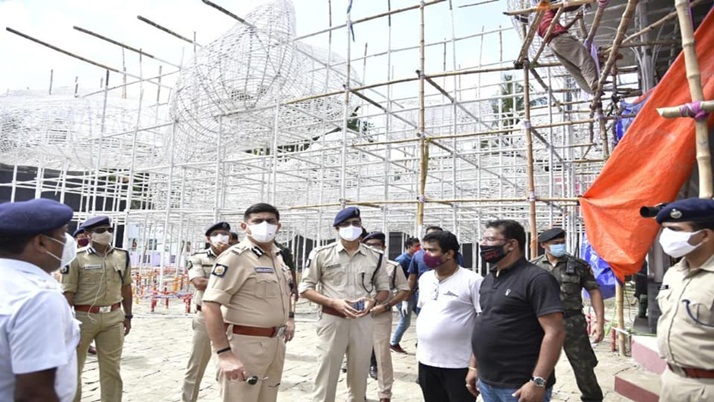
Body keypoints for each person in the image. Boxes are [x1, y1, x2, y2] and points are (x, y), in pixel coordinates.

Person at [202, 203, 295, 402]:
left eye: (270, 221)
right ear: (245, 226)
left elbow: (286, 294)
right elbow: (210, 305)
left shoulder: (278, 258)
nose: (265, 225)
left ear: (279, 226)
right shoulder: (235, 257)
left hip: (275, 344)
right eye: (258, 221)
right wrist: (224, 354)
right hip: (245, 345)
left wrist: (289, 318)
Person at [299, 207, 390, 402]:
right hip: (332, 319)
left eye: (356, 223)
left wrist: (373, 300)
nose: (351, 227)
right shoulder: (321, 254)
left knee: (360, 373)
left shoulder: (376, 256)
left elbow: (384, 289)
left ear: (362, 226)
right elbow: (305, 288)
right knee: (326, 373)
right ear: (336, 228)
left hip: (362, 321)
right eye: (346, 224)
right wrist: (332, 302)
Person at [468, 220, 564, 402]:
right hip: (488, 381)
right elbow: (485, 321)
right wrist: (474, 366)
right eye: (483, 239)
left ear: (511, 244)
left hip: (519, 384)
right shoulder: (489, 279)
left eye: (489, 239)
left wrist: (537, 381)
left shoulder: (537, 279)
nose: (483, 244)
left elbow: (555, 332)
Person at [0, 198, 80, 402]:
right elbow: (34, 394)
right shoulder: (38, 298)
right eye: (63, 234)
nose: (66, 241)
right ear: (42, 242)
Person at [60, 215, 133, 402]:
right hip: (84, 318)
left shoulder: (122, 255)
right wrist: (67, 323)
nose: (106, 234)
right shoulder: (76, 258)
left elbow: (126, 286)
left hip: (113, 317)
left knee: (112, 370)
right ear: (88, 234)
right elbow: (68, 292)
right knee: (74, 369)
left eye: (109, 230)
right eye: (100, 231)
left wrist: (128, 315)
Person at [531, 227, 605, 402]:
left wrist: (599, 323)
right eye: (555, 243)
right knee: (541, 366)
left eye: (562, 242)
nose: (560, 246)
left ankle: (592, 398)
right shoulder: (533, 267)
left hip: (572, 323)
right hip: (542, 324)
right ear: (544, 245)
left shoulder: (578, 265)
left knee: (583, 367)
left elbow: (594, 291)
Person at [652, 198, 714, 400]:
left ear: (704, 235)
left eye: (675, 230)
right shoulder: (675, 273)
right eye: (664, 229)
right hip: (672, 380)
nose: (666, 236)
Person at [415, 231, 482, 402]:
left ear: (449, 253)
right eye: (425, 250)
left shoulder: (472, 281)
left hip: (458, 364)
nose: (426, 255)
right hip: (426, 361)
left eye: (432, 250)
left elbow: (483, 323)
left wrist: (475, 366)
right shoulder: (425, 278)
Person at [181, 221, 231, 402]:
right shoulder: (198, 257)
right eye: (216, 234)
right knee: (196, 365)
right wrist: (232, 283)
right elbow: (198, 283)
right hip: (205, 316)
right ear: (208, 238)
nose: (221, 237)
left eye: (224, 233)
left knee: (229, 364)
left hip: (231, 315)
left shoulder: (238, 256)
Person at [363, 231, 411, 402]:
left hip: (380, 315)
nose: (372, 248)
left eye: (376, 245)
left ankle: (384, 394)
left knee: (382, 355)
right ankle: (356, 392)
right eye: (368, 245)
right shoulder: (358, 265)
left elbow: (404, 289)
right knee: (356, 354)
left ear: (383, 247)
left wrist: (387, 306)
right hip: (358, 315)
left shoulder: (392, 266)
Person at [399, 225, 446, 354]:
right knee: (424, 321)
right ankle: (422, 343)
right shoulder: (418, 256)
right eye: (430, 235)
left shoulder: (451, 254)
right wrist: (405, 298)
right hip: (423, 295)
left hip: (446, 295)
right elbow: (412, 277)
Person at [537, 6, 598, 94]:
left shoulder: (540, 22)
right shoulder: (546, 9)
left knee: (574, 69)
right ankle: (594, 83)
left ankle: (591, 90)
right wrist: (582, 2)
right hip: (560, 39)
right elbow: (567, 6)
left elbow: (562, 29)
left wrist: (575, 19)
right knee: (584, 58)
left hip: (553, 44)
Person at [389, 237, 420, 354]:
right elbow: (398, 279)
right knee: (405, 320)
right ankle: (394, 342)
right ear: (408, 247)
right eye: (416, 246)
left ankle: (420, 342)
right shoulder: (401, 260)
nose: (419, 248)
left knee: (422, 317)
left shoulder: (413, 258)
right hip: (403, 295)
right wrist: (403, 297)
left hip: (413, 293)